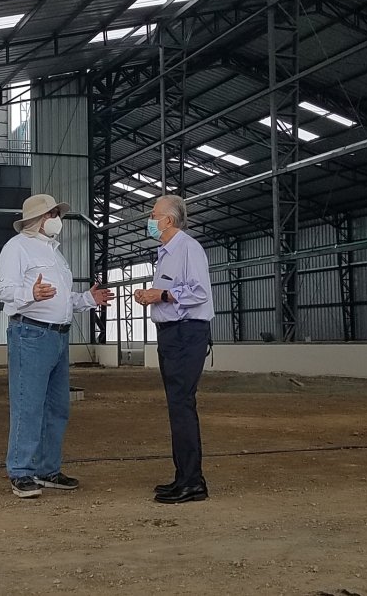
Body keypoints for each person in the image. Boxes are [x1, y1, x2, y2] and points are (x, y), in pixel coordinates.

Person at [0, 193, 114, 498]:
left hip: (58, 335)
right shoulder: (16, 248)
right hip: (30, 333)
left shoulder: (55, 254)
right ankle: (21, 471)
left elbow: (63, 298)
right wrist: (31, 294)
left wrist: (88, 299)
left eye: (57, 214)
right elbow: (5, 291)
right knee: (28, 405)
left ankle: (47, 469)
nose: (57, 219)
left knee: (57, 407)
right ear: (38, 219)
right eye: (52, 214)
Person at [134, 194, 214, 504]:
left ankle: (192, 482)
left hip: (186, 333)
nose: (150, 220)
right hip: (171, 334)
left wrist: (162, 296)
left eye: (153, 214)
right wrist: (152, 296)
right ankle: (184, 476)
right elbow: (169, 292)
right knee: (177, 406)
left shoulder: (188, 248)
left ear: (168, 220)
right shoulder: (166, 253)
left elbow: (199, 292)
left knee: (181, 405)